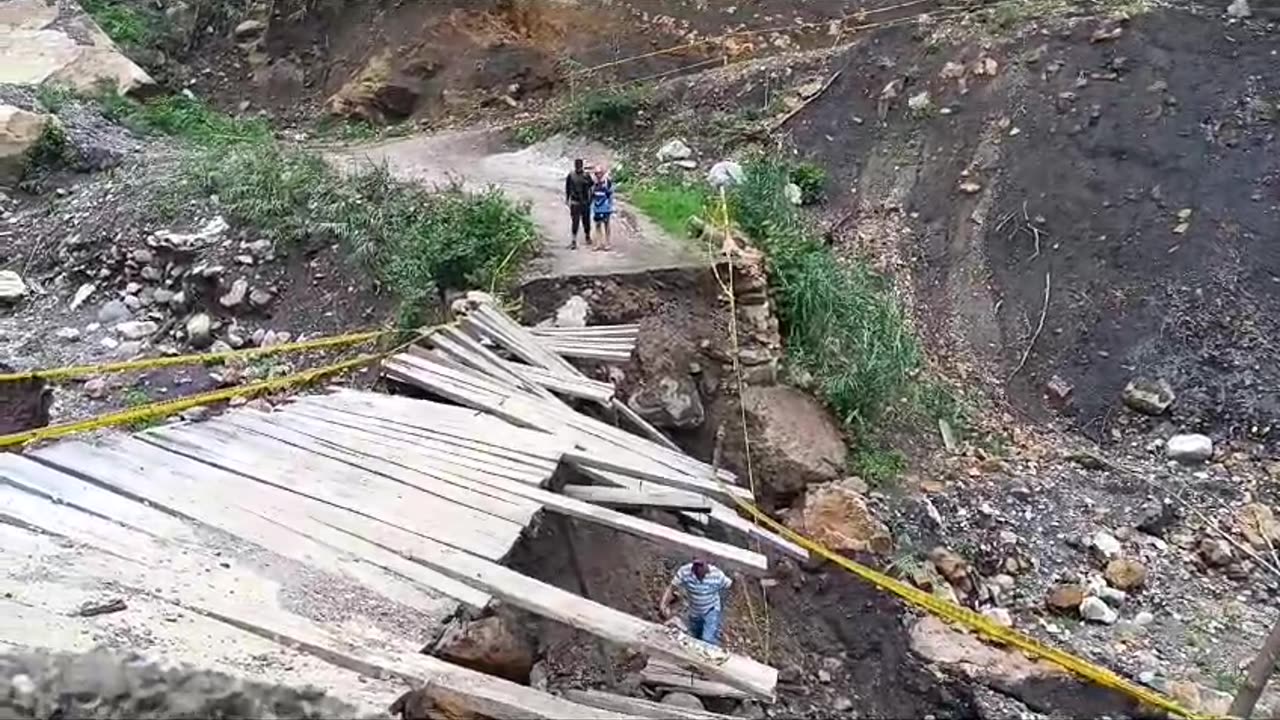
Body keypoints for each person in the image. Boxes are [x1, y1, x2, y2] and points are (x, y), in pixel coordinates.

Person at [659, 559, 732, 646]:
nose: (699, 576)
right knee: (695, 638)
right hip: (695, 611)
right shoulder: (685, 572)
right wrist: (663, 604)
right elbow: (672, 588)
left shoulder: (717, 575)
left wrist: (722, 604)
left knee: (707, 639)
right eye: (697, 572)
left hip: (711, 609)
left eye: (702, 573)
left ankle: (712, 655)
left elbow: (729, 585)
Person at [564, 158, 594, 249]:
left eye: (579, 165)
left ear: (582, 166)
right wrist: (567, 199)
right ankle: (574, 240)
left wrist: (591, 199)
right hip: (575, 201)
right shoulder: (571, 175)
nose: (578, 167)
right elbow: (567, 188)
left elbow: (592, 186)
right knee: (575, 221)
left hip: (585, 201)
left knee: (586, 221)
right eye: (577, 165)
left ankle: (587, 236)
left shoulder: (586, 175)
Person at [590, 165, 614, 252]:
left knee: (607, 225)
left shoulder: (607, 182)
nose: (598, 175)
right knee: (597, 225)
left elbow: (610, 194)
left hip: (606, 207)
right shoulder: (594, 183)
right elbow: (591, 194)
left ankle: (607, 243)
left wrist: (610, 205)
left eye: (599, 173)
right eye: (596, 173)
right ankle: (598, 243)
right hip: (597, 207)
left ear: (602, 173)